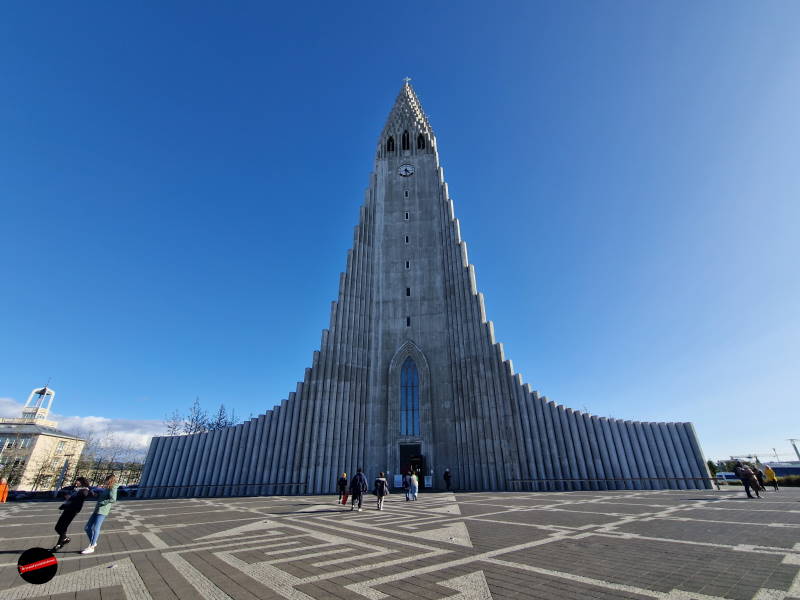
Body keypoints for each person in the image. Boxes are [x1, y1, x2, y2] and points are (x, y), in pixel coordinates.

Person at [81, 474, 118, 554]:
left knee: (96, 528)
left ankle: (91, 547)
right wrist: (96, 495)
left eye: (106, 480)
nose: (105, 481)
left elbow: (113, 499)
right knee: (87, 527)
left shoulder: (113, 487)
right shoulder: (107, 487)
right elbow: (103, 497)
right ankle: (94, 542)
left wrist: (103, 502)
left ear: (110, 480)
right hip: (97, 509)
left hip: (103, 510)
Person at [52, 477, 92, 551]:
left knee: (61, 527)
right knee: (59, 527)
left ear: (82, 482)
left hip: (72, 510)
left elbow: (81, 498)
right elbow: (70, 496)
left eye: (78, 481)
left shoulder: (84, 490)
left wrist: (70, 498)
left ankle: (61, 542)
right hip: (67, 509)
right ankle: (63, 541)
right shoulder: (76, 489)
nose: (76, 482)